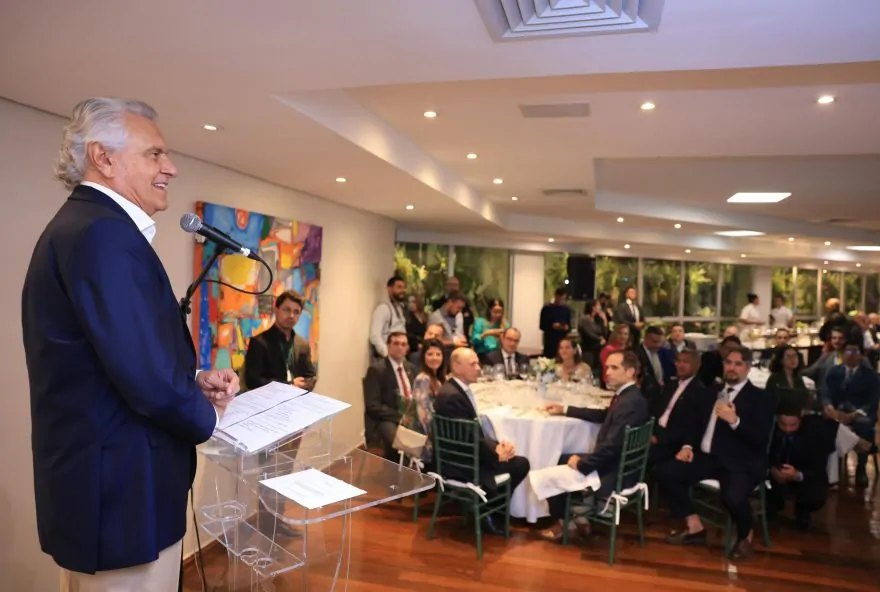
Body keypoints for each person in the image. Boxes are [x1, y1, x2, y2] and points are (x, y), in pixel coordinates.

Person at [21, 98, 239, 590]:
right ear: (103, 158)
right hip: (121, 493)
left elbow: (116, 356)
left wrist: (192, 380)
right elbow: (144, 376)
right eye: (155, 154)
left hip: (107, 486)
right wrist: (211, 418)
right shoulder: (102, 235)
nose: (171, 168)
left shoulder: (88, 227)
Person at [656, 346, 775, 561]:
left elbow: (760, 439)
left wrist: (735, 421)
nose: (732, 368)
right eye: (728, 363)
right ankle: (695, 527)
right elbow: (695, 423)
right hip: (709, 458)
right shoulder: (711, 391)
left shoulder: (760, 397)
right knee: (666, 472)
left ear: (748, 368)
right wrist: (687, 446)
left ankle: (746, 536)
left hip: (740, 462)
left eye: (738, 364)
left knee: (732, 496)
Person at [538, 350, 650, 541]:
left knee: (553, 465)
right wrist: (565, 409)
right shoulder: (629, 396)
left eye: (614, 368)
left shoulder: (629, 403)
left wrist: (583, 464)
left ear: (630, 372)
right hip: (620, 464)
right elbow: (604, 415)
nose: (608, 372)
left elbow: (612, 447)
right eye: (607, 367)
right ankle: (580, 519)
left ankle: (567, 525)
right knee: (563, 457)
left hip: (615, 472)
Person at [433, 348, 530, 535]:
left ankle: (488, 509)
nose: (479, 368)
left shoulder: (455, 390)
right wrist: (495, 456)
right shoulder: (452, 397)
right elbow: (466, 440)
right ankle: (490, 513)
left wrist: (497, 446)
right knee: (520, 464)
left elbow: (472, 434)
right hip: (459, 464)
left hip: (463, 456)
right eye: (473, 364)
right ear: (457, 367)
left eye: (478, 363)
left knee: (511, 457)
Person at [767, 405, 832, 530]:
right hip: (773, 476)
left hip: (803, 475)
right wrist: (772, 469)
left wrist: (796, 475)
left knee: (815, 494)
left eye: (793, 425)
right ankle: (771, 508)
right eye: (783, 424)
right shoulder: (769, 430)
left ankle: (803, 511)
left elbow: (818, 466)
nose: (788, 429)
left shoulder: (815, 433)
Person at [243, 290, 316, 391]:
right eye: (286, 310)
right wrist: (289, 385)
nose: (291, 315)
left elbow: (309, 374)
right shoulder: (258, 343)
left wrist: (311, 381)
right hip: (270, 398)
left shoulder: (303, 344)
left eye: (296, 312)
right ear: (276, 310)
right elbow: (252, 381)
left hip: (298, 398)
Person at [362, 332, 416, 459]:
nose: (400, 347)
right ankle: (399, 469)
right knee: (398, 444)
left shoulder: (411, 368)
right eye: (396, 343)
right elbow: (372, 405)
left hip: (411, 417)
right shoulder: (376, 370)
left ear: (407, 348)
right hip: (386, 419)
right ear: (388, 346)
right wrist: (400, 417)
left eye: (403, 344)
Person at [405, 338, 447, 466]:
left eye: (438, 354)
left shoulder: (437, 378)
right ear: (423, 357)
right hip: (425, 439)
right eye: (430, 354)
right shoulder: (423, 379)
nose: (434, 358)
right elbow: (424, 416)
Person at [369, 276, 408, 362]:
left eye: (404, 287)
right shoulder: (383, 308)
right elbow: (374, 336)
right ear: (389, 289)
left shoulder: (399, 308)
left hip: (399, 357)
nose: (402, 290)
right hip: (386, 358)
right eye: (399, 287)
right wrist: (387, 354)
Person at [540, 287, 571, 358]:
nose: (561, 301)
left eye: (563, 299)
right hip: (550, 343)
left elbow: (569, 326)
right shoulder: (547, 309)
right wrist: (552, 326)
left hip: (562, 342)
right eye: (559, 298)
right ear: (555, 296)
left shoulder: (566, 309)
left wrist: (566, 327)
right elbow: (542, 326)